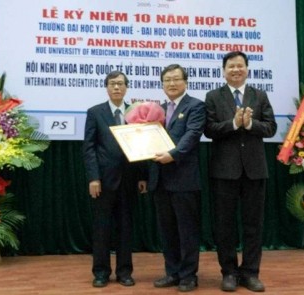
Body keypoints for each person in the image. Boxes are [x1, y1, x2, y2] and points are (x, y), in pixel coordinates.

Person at [204, 51, 277, 292]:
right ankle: (229, 273)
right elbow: (209, 129)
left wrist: (250, 124)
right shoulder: (214, 96)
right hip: (224, 171)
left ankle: (251, 273)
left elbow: (271, 128)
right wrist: (234, 124)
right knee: (225, 225)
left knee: (253, 225)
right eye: (231, 67)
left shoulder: (260, 95)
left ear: (247, 68)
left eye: (240, 66)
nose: (236, 70)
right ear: (223, 71)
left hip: (255, 170)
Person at [83, 71, 147, 288]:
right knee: (102, 228)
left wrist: (142, 176)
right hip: (103, 180)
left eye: (120, 84)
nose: (117, 88)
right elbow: (89, 148)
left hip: (129, 180)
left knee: (126, 228)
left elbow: (140, 146)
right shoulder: (95, 112)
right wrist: (93, 177)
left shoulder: (135, 112)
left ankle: (124, 272)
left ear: (126, 87)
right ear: (107, 87)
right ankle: (101, 272)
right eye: (113, 84)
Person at [149, 64, 206, 292]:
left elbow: (192, 134)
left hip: (184, 179)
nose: (171, 84)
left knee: (187, 230)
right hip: (160, 179)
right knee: (167, 230)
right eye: (167, 80)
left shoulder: (196, 106)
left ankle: (188, 276)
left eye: (176, 79)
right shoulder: (158, 110)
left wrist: (172, 155)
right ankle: (172, 272)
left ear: (186, 82)